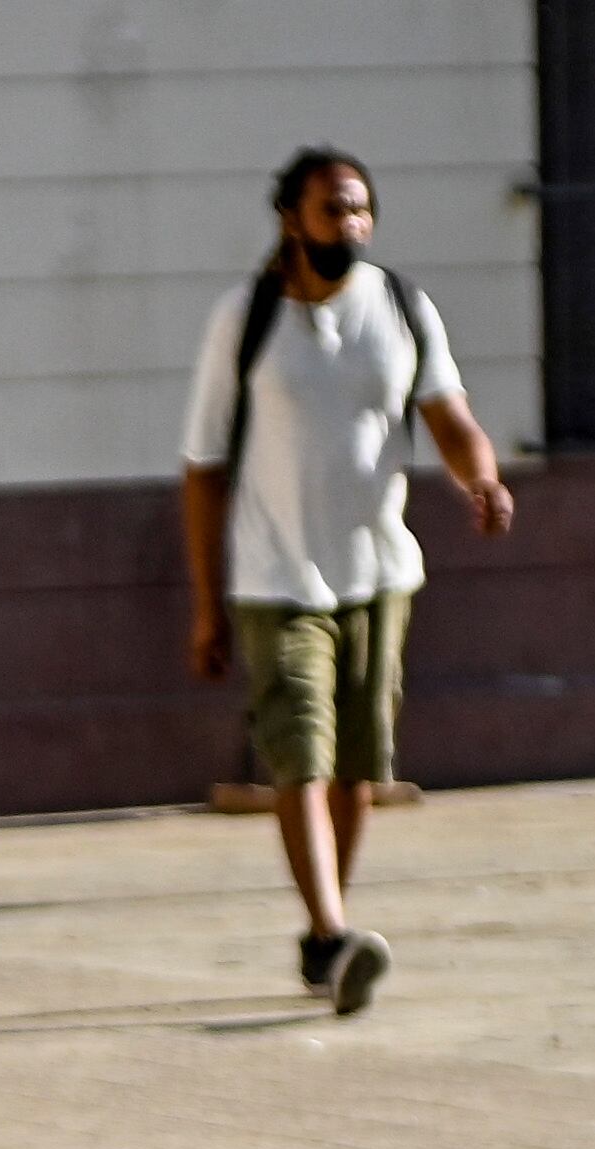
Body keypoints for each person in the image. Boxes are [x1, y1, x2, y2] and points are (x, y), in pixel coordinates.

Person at [179, 146, 510, 1017]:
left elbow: (449, 415)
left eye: (361, 209)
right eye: (334, 210)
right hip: (273, 576)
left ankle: (326, 935)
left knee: (356, 770)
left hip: (377, 572)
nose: (352, 225)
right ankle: (328, 932)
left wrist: (478, 476)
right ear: (291, 217)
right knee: (299, 757)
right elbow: (202, 467)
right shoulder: (243, 319)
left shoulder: (399, 306)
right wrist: (206, 605)